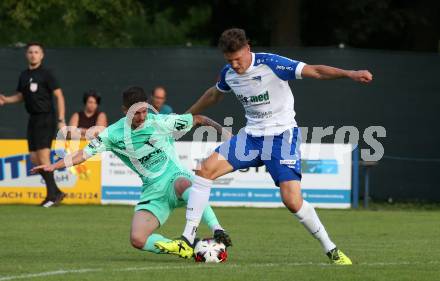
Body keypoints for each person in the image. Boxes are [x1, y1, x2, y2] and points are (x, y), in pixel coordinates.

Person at [156, 28, 373, 264]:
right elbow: (212, 95)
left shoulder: (272, 64)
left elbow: (316, 71)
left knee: (292, 201)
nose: (235, 64)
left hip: (282, 137)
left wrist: (350, 73)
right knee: (205, 170)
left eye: (238, 58)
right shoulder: (228, 73)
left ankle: (331, 249)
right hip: (251, 137)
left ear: (248, 48)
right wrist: (185, 117)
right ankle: (187, 240)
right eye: (230, 60)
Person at [31, 86, 232, 255]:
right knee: (137, 239)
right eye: (136, 112)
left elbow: (198, 118)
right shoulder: (112, 134)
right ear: (124, 110)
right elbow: (82, 154)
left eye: (145, 111)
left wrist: (228, 136)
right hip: (153, 192)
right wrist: (53, 166)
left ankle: (217, 229)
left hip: (174, 178)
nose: (142, 116)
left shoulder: (159, 121)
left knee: (186, 183)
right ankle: (186, 248)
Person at [0, 42, 67, 207]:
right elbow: (21, 96)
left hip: (46, 118)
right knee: (34, 159)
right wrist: (5, 100)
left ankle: (52, 196)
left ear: (42, 55)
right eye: (30, 52)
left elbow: (59, 96)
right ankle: (56, 192)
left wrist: (61, 119)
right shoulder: (23, 75)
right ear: (26, 55)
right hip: (33, 119)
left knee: (44, 157)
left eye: (36, 52)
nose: (33, 55)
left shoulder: (47, 74)